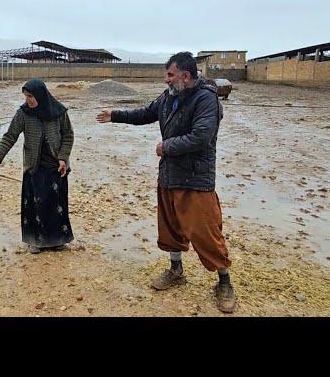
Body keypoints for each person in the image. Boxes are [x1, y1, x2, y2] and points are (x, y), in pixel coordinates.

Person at [96, 52, 236, 313]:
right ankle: (176, 270)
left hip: (196, 178)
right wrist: (115, 115)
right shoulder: (168, 97)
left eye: (170, 75)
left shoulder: (207, 99)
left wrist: (166, 146)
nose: (166, 80)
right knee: (170, 227)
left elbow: (201, 136)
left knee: (206, 232)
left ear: (185, 75)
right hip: (169, 175)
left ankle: (224, 283)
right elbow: (145, 113)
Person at [0, 79, 74, 253]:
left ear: (41, 95)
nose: (28, 100)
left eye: (31, 96)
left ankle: (58, 240)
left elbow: (68, 135)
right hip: (34, 166)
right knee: (36, 204)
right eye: (26, 96)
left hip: (56, 165)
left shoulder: (59, 112)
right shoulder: (23, 113)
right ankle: (35, 241)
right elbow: (10, 136)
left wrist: (63, 158)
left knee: (56, 204)